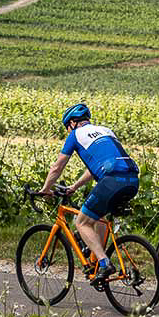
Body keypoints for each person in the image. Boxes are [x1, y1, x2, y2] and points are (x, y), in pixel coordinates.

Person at [38, 102, 139, 287]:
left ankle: (104, 263)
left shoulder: (75, 135)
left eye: (67, 127)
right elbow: (97, 167)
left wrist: (45, 189)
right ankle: (95, 261)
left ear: (72, 123)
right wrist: (74, 186)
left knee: (81, 222)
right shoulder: (105, 130)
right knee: (98, 216)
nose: (68, 131)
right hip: (132, 179)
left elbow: (57, 167)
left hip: (111, 181)